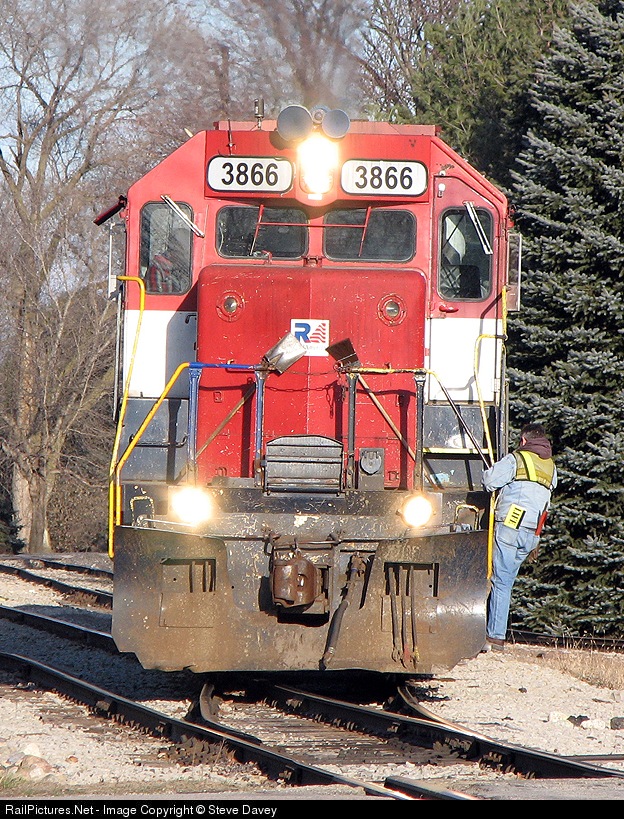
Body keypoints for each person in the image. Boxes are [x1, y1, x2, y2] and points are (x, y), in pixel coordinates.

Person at [482, 422, 557, 652]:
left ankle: (495, 638)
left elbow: (488, 482)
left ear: (524, 440)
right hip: (532, 533)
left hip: (510, 527)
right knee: (506, 581)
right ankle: (492, 630)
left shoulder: (517, 459)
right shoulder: (551, 467)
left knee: (501, 582)